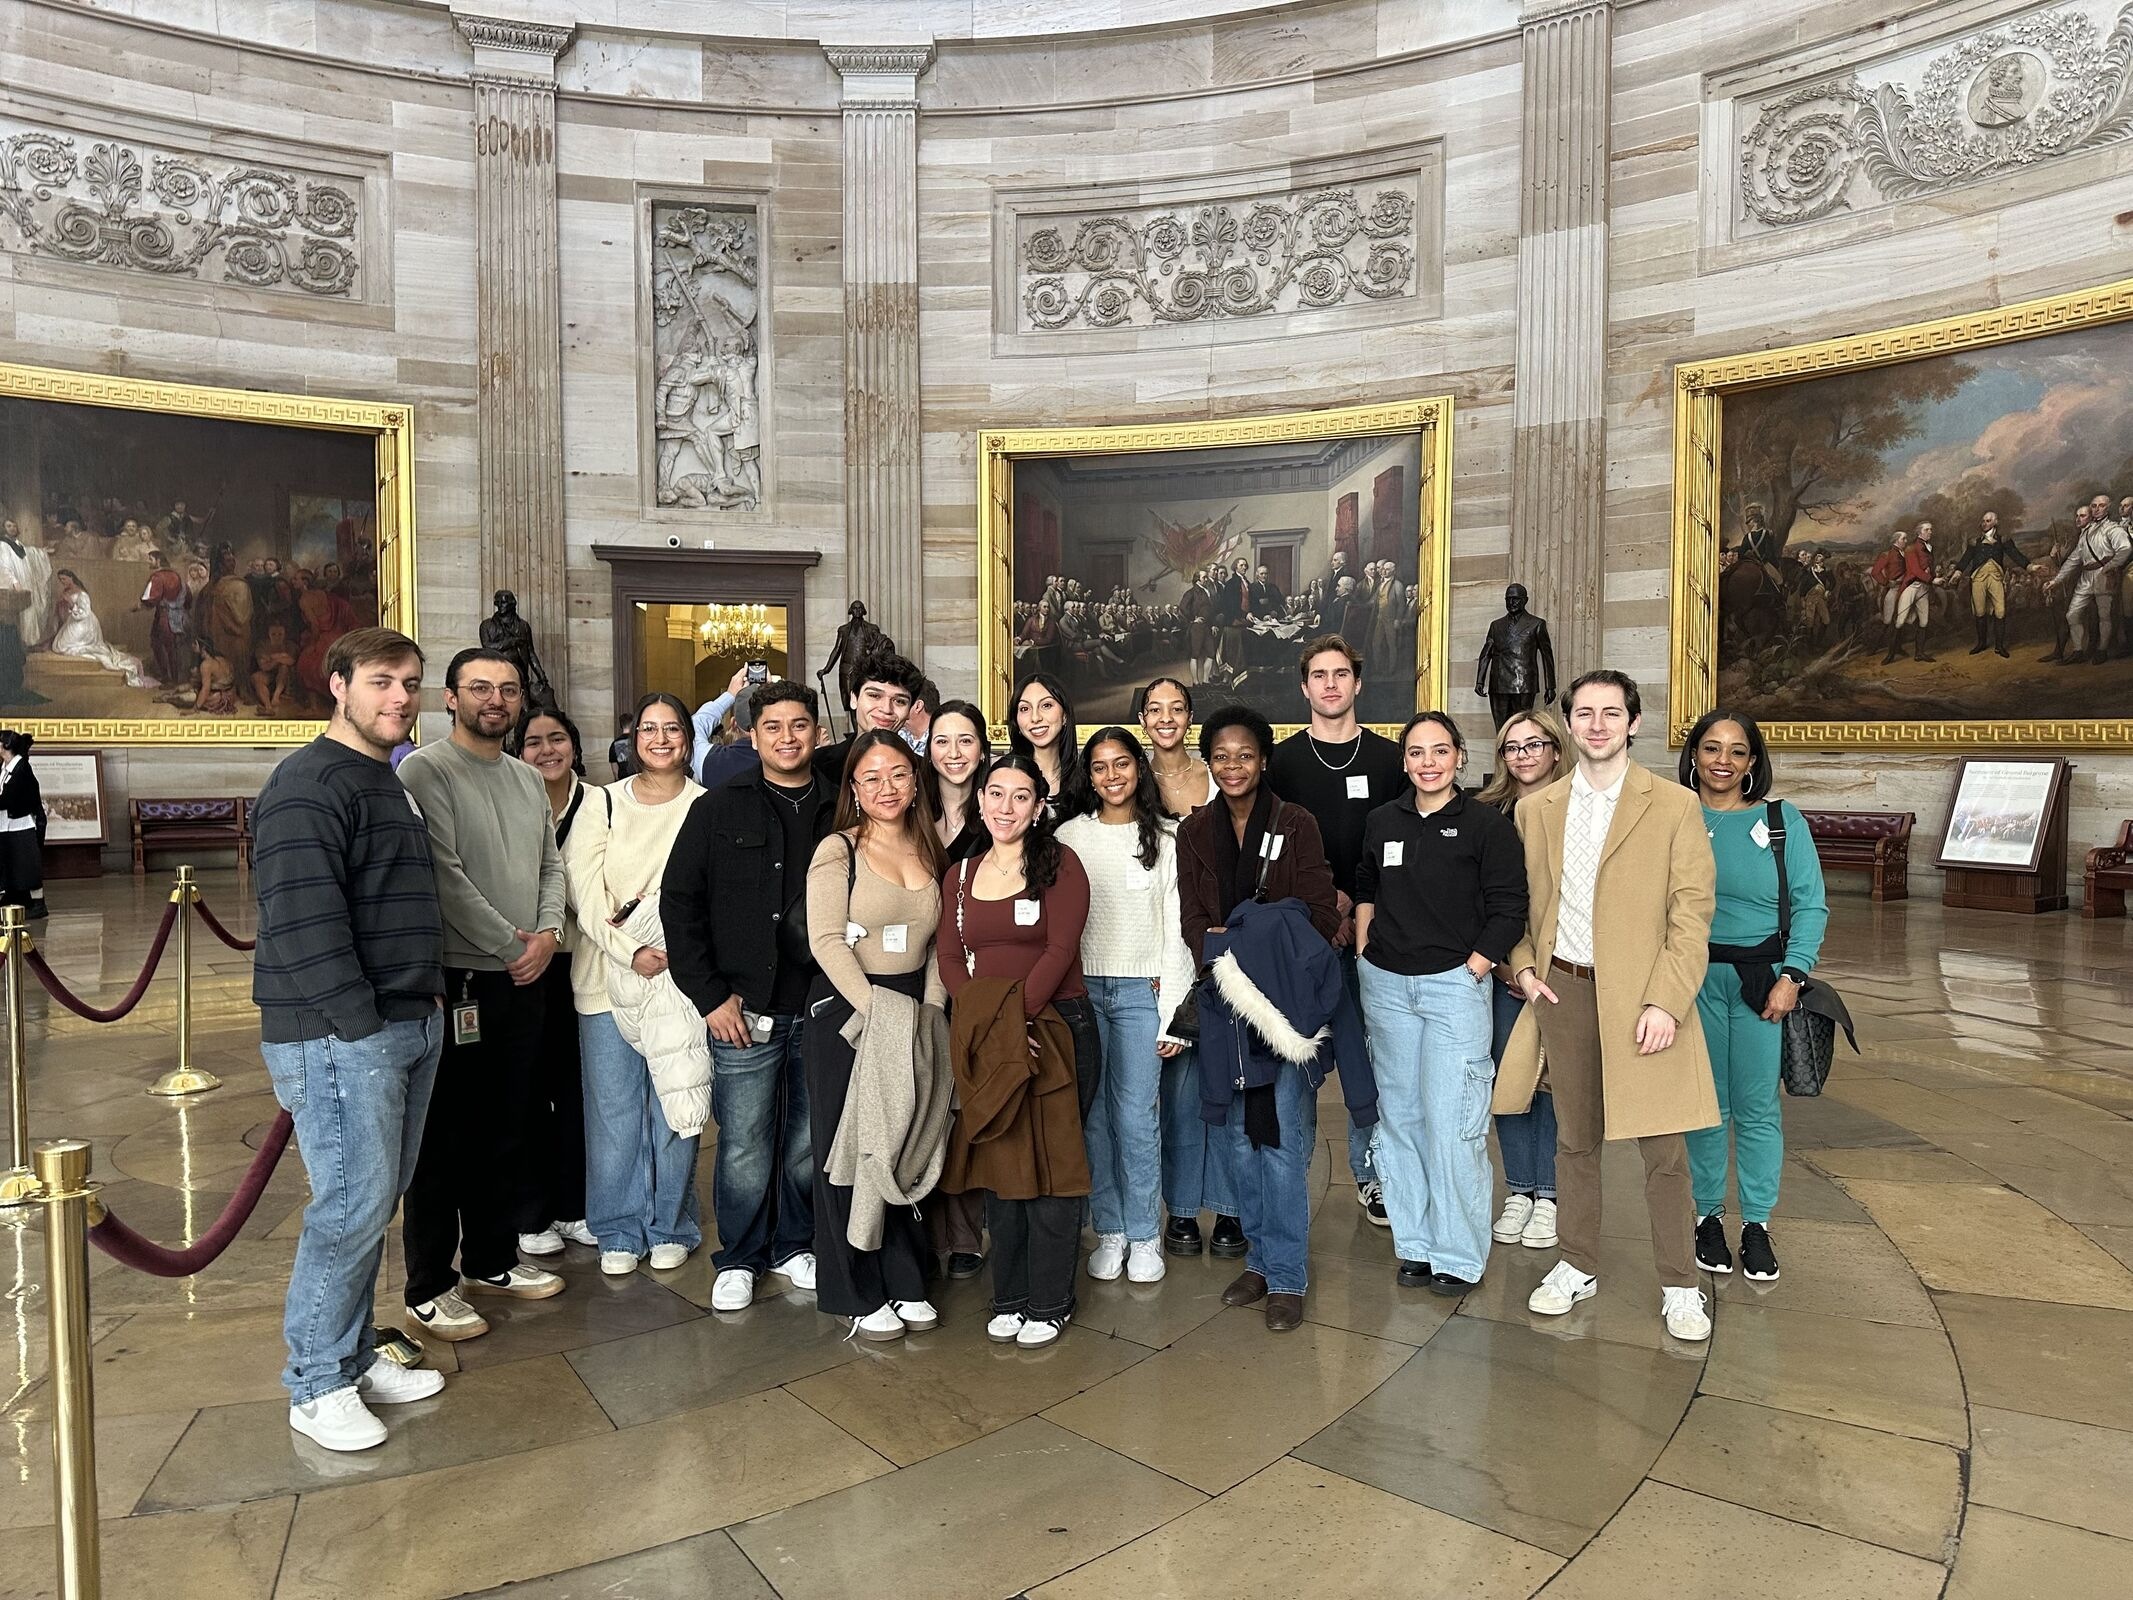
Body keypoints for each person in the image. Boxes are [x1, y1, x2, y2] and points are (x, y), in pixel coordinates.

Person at [252, 627, 445, 1451]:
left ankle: (353, 1354)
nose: (399, 697)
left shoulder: (380, 777)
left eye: (408, 682)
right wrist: (361, 1025)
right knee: (349, 1206)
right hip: (341, 1035)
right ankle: (316, 1382)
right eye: (379, 680)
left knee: (373, 1204)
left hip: (402, 1021)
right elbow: (302, 925)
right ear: (338, 684)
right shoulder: (307, 785)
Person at [1499, 670, 1719, 1343]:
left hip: (1643, 997)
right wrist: (1524, 967)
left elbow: (1691, 915)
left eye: (1610, 713)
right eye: (1583, 713)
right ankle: (1577, 1262)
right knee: (1574, 1139)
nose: (1596, 724)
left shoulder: (1674, 805)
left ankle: (1680, 1283)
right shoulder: (1535, 809)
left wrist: (1665, 1001)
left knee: (1662, 1149)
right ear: (1568, 724)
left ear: (1633, 722)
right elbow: (1521, 902)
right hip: (1564, 989)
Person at [397, 648, 569, 1343]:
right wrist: (512, 946)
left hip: (525, 976)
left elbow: (549, 863)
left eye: (507, 689)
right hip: (462, 979)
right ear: (449, 698)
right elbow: (444, 875)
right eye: (479, 688)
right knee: (443, 1138)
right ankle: (429, 1285)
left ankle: (493, 1259)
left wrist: (549, 933)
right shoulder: (424, 770)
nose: (495, 699)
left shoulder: (526, 778)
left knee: (507, 1125)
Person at [663, 680, 835, 1310]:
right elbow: (679, 904)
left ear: (817, 732)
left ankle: (796, 1244)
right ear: (750, 734)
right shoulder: (717, 806)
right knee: (742, 1143)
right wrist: (711, 997)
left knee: (807, 1140)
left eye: (798, 726)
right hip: (741, 1008)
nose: (787, 738)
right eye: (772, 727)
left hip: (820, 1005)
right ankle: (738, 1256)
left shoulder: (841, 805)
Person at [1177, 706, 1345, 1330]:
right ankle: (1259, 1257)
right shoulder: (1195, 833)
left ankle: (1289, 1277)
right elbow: (1195, 920)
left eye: (1244, 754)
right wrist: (1233, 941)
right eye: (1221, 756)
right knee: (1239, 1145)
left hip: (1282, 1005)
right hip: (1223, 1003)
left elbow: (1321, 911)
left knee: (1282, 1142)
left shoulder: (1295, 823)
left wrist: (1249, 933)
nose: (1233, 766)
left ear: (1264, 759)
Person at [1353, 712, 1527, 1296]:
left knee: (1454, 1123)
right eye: (1417, 753)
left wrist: (1475, 965)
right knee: (1400, 1121)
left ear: (1459, 757)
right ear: (1404, 761)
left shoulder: (1485, 825)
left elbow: (1509, 905)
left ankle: (1458, 1252)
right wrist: (1364, 955)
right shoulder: (1382, 821)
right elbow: (1366, 891)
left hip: (1454, 987)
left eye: (1440, 751)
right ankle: (1417, 1245)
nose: (1428, 762)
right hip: (1386, 988)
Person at [939, 754, 1098, 1346]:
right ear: (979, 800)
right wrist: (987, 1026)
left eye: (1021, 796)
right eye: (996, 793)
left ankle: (1051, 1299)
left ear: (1038, 807)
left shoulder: (1061, 865)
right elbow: (951, 959)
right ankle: (1008, 1295)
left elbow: (1059, 951)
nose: (1006, 807)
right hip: (992, 1036)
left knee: (1052, 1171)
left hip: (1056, 1026)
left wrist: (1010, 1019)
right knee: (1002, 1166)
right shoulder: (960, 876)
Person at [804, 731, 947, 1340]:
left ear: (914, 782)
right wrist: (878, 1012)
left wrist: (932, 1008)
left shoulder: (928, 846)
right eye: (871, 778)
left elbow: (945, 938)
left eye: (897, 775)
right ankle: (856, 1291)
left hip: (916, 1005)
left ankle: (906, 1277)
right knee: (854, 1151)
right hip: (849, 1011)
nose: (885, 788)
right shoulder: (838, 850)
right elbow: (827, 941)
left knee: (906, 1141)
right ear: (854, 790)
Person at [562, 694, 710, 1276]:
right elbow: (583, 891)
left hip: (679, 979)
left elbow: (713, 894)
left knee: (676, 1107)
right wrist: (632, 950)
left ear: (688, 739)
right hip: (606, 977)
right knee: (614, 1112)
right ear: (631, 739)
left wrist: (674, 953)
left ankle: (672, 1223)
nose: (661, 738)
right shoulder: (601, 802)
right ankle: (618, 1226)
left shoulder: (707, 805)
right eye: (649, 728)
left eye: (672, 728)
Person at [1679, 710, 1828, 1284]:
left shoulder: (1781, 820)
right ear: (1693, 755)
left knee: (1758, 1105)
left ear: (1753, 762)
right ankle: (1708, 1216)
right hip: (1691, 979)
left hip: (1764, 983)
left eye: (1737, 751)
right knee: (1706, 1105)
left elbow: (1812, 903)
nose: (1723, 760)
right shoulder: (1673, 815)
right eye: (1711, 748)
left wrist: (1794, 975)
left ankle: (1757, 1224)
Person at [1266, 635, 1403, 1226]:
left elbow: (1401, 844)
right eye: (1318, 675)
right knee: (1297, 1054)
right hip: (1305, 932)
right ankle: (1289, 1177)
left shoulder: (1388, 759)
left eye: (1340, 674)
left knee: (1367, 1057)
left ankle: (1371, 1176)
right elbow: (1274, 851)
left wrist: (1357, 908)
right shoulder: (1284, 763)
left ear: (1357, 683)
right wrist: (1326, 907)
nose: (1330, 684)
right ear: (1304, 687)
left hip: (1374, 932)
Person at [1059, 729, 1197, 1288]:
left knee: (1138, 1118)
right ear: (1088, 776)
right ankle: (1109, 1230)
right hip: (1084, 992)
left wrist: (1174, 1016)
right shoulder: (1069, 837)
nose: (1111, 775)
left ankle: (1144, 1234)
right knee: (1092, 1117)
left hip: (1143, 994)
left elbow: (1176, 933)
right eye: (1099, 767)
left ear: (1138, 770)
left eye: (1121, 764)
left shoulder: (1165, 839)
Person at [1474, 707, 1570, 1250]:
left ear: (1556, 750)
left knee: (1554, 1083)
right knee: (1510, 1080)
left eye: (1535, 745)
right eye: (1513, 747)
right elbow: (1487, 899)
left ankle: (1551, 1195)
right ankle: (1519, 1190)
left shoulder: (1582, 807)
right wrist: (1507, 961)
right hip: (1504, 968)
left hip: (1564, 968)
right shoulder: (1487, 812)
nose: (1524, 755)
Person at [505, 708, 596, 1257]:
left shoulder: (599, 803)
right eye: (534, 742)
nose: (546, 750)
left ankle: (574, 1205)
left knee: (575, 1088)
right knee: (525, 1090)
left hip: (581, 966)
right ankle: (529, 1211)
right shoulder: (511, 801)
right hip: (522, 965)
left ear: (574, 745)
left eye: (556, 739)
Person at [921, 697, 992, 1277]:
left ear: (982, 749)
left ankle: (967, 1232)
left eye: (965, 740)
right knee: (923, 1103)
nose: (953, 753)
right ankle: (920, 1228)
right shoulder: (910, 812)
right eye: (942, 740)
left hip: (975, 981)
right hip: (914, 979)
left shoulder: (998, 818)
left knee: (966, 1109)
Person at [2047, 494, 2132, 666]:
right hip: (2086, 578)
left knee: (2104, 616)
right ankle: (2078, 651)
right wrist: (2056, 581)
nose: (2097, 509)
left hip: (2103, 575)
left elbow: (2125, 548)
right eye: (2094, 506)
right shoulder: (2086, 533)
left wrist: (2111, 567)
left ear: (2108, 507)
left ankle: (2102, 650)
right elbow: (2073, 560)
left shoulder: (2113, 529)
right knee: (2072, 614)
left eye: (2101, 506)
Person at [816, 645, 922, 780]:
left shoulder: (923, 771)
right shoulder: (817, 765)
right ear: (853, 699)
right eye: (874, 696)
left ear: (909, 710)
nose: (886, 709)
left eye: (899, 701)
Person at [51, 570, 156, 687]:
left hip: (84, 623)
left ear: (71, 578)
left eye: (64, 579)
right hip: (73, 621)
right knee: (59, 645)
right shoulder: (66, 591)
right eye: (60, 580)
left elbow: (84, 613)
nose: (62, 582)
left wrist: (70, 604)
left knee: (65, 646)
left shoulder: (82, 594)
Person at [1009, 669, 1084, 818]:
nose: (1035, 717)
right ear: (1016, 722)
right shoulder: (1005, 775)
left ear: (1065, 716)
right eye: (1024, 709)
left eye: (1046, 706)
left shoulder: (1085, 776)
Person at [1138, 676, 1215, 819]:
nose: (1166, 718)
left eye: (1177, 709)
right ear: (1143, 720)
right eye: (1155, 710)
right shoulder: (1135, 782)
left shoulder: (1216, 776)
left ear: (1190, 718)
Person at [1950, 513, 2022, 659]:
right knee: (1979, 611)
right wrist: (1957, 572)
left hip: (1996, 578)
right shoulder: (1974, 542)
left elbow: (2016, 555)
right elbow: (1965, 559)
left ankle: (1999, 646)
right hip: (1978, 579)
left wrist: (2031, 566)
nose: (1984, 523)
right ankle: (1982, 643)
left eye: (1988, 521)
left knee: (2000, 611)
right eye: (1983, 521)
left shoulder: (2003, 540)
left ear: (1995, 522)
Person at [0, 730, 47, 917]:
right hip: (7, 825)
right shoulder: (6, 766)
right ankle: (15, 897)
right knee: (10, 862)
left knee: (27, 865)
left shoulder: (21, 768)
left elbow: (9, 799)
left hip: (22, 825)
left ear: (6, 746)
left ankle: (38, 904)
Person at [138, 549, 189, 686]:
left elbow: (152, 598)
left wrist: (140, 605)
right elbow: (187, 596)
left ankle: (169, 678)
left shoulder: (157, 577)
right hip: (178, 615)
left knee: (160, 644)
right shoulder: (176, 575)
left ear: (158, 560)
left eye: (151, 559)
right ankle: (174, 678)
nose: (149, 562)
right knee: (172, 647)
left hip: (164, 616)